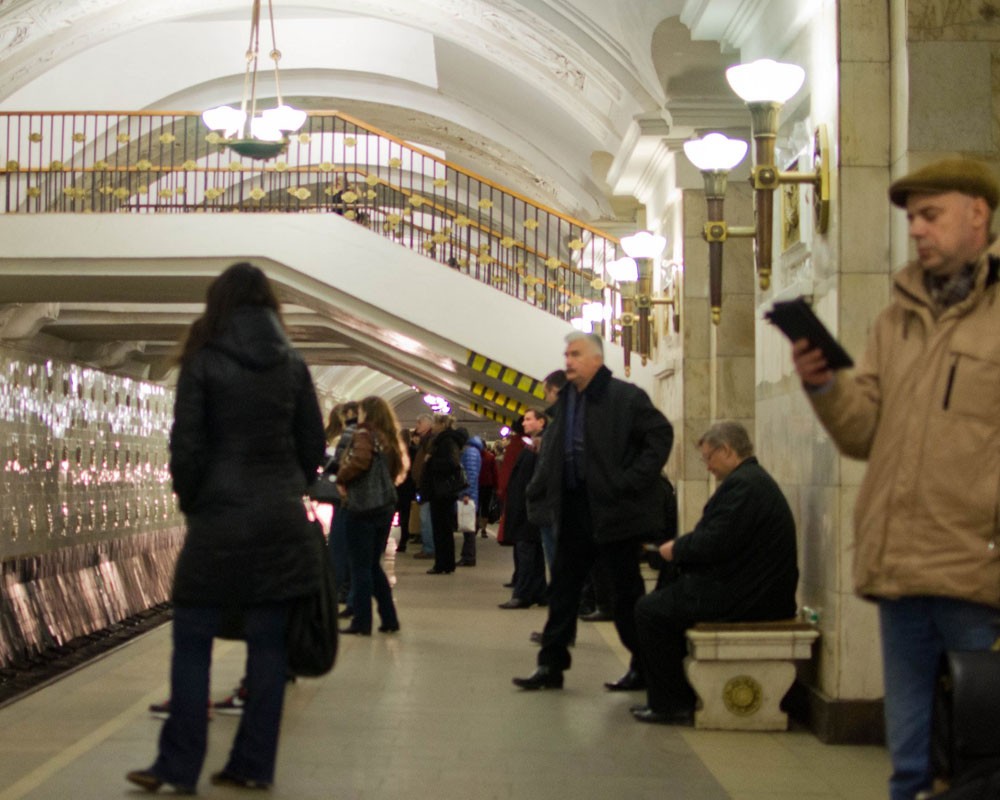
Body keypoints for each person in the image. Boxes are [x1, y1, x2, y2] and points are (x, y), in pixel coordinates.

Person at [791, 158, 1000, 800]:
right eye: (911, 219)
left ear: (977, 214)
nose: (916, 230)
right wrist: (823, 383)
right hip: (899, 569)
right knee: (907, 766)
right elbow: (861, 435)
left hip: (976, 570)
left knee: (981, 759)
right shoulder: (893, 322)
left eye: (930, 215)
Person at [127, 262, 325, 793]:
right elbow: (313, 450)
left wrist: (196, 503)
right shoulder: (293, 364)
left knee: (192, 640)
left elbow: (185, 446)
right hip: (278, 523)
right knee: (268, 647)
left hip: (216, 521)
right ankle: (253, 765)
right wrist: (286, 487)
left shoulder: (205, 360)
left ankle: (178, 766)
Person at [513, 331, 673, 692]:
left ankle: (644, 668)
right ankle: (550, 667)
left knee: (624, 592)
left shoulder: (624, 397)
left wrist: (629, 481)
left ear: (597, 360)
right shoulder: (567, 401)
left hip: (614, 512)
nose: (567, 360)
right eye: (566, 354)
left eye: (575, 354)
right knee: (563, 592)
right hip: (573, 510)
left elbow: (660, 435)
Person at [630, 421, 799, 725]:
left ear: (726, 450)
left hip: (752, 596)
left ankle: (670, 703)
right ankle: (679, 691)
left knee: (649, 611)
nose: (707, 466)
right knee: (669, 588)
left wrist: (677, 549)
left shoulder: (744, 486)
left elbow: (715, 541)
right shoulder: (749, 481)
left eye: (708, 457)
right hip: (750, 586)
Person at [336, 396, 407, 635]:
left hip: (362, 506)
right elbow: (396, 470)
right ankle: (389, 618)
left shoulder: (365, 434)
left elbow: (360, 460)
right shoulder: (389, 438)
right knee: (373, 566)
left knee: (360, 568)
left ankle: (362, 622)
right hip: (384, 506)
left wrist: (341, 476)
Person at [498, 408, 548, 608]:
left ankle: (523, 594)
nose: (524, 423)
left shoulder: (540, 445)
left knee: (526, 550)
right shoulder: (532, 445)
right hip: (527, 505)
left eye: (528, 419)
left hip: (530, 507)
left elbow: (538, 476)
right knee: (533, 551)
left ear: (541, 422)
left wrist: (528, 494)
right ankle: (540, 592)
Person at [418, 414, 467, 575]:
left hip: (441, 491)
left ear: (442, 425)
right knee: (443, 529)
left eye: (436, 424)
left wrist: (430, 460)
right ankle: (445, 563)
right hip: (442, 491)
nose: (434, 427)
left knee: (441, 529)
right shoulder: (447, 440)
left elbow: (451, 463)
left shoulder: (446, 441)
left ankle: (442, 563)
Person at [409, 413, 436, 560]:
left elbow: (425, 465)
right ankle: (428, 546)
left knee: (426, 518)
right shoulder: (425, 442)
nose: (417, 426)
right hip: (424, 485)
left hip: (427, 486)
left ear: (427, 425)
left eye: (419, 423)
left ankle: (429, 548)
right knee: (425, 517)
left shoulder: (429, 442)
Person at [457, 430, 483, 566]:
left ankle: (469, 557)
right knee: (468, 526)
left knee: (468, 527)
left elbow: (470, 474)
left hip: (469, 495)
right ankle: (467, 555)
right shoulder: (474, 451)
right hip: (471, 494)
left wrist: (466, 493)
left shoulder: (470, 452)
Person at [476, 441, 498, 538]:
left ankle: (475, 527)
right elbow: (495, 472)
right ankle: (484, 529)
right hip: (488, 485)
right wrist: (496, 486)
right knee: (485, 507)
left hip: (477, 485)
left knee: (476, 507)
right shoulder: (491, 457)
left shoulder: (475, 457)